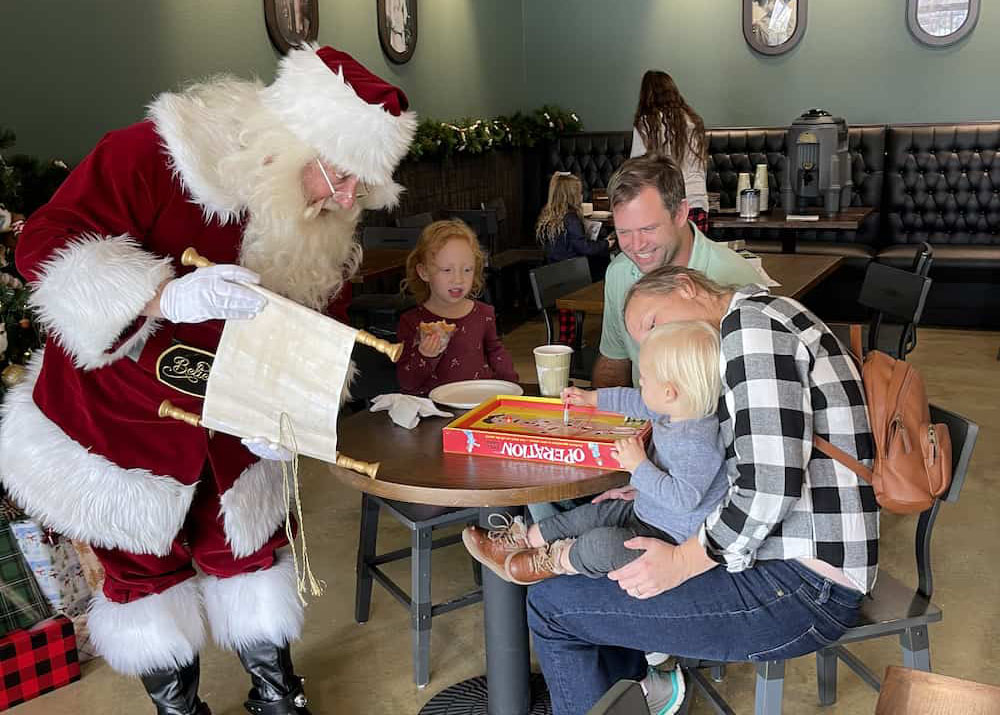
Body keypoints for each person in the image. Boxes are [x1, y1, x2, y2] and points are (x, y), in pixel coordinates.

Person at [0, 45, 416, 715]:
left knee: (249, 550)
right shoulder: (157, 154)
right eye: (336, 175)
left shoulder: (329, 218)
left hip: (232, 422)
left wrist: (290, 412)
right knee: (145, 572)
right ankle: (178, 707)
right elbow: (41, 243)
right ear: (287, 142)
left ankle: (278, 696)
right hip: (118, 420)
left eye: (358, 187)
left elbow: (320, 330)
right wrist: (161, 297)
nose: (344, 199)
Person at [525, 266, 878, 715]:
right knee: (599, 572)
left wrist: (683, 561)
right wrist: (654, 495)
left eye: (652, 322)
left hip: (803, 584)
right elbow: (743, 464)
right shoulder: (760, 320)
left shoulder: (753, 328)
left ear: (686, 288)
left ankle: (640, 691)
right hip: (792, 563)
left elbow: (770, 485)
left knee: (552, 606)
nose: (654, 341)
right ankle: (640, 694)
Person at [464, 320, 727, 597]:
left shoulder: (697, 442)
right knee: (593, 512)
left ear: (669, 392)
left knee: (601, 544)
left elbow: (684, 500)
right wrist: (592, 398)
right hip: (648, 510)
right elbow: (634, 401)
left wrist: (639, 467)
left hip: (670, 540)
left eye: (645, 378)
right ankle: (521, 540)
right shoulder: (675, 409)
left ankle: (554, 560)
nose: (640, 382)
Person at [594, 155, 761, 390]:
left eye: (648, 228)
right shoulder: (619, 272)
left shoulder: (736, 278)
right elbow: (614, 360)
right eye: (624, 232)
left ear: (681, 213)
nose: (637, 245)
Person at [396, 220, 518, 396]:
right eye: (447, 270)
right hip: (434, 413)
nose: (458, 279)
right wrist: (424, 355)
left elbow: (496, 352)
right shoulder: (411, 322)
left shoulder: (484, 313)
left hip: (478, 405)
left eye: (467, 270)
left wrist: (511, 387)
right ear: (424, 272)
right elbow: (407, 383)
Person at [629, 70, 709, 233]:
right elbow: (701, 167)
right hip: (696, 199)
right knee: (695, 256)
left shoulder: (646, 124)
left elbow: (638, 170)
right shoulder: (693, 121)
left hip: (664, 203)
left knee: (666, 257)